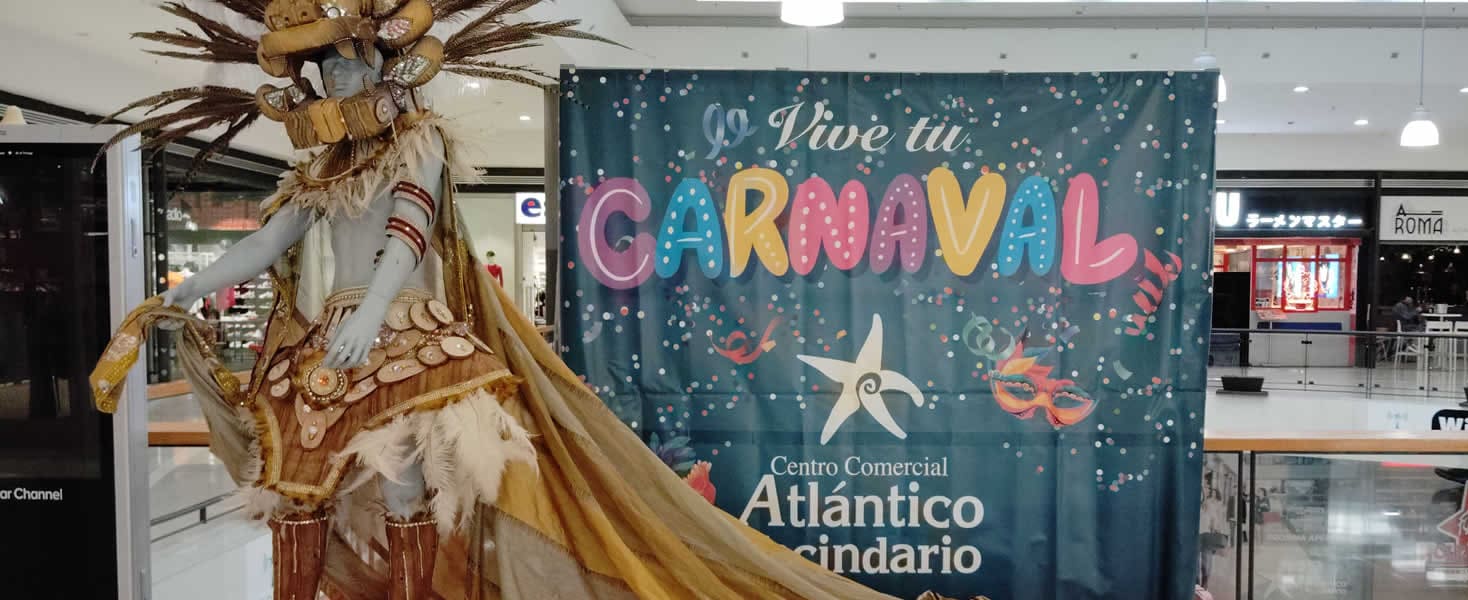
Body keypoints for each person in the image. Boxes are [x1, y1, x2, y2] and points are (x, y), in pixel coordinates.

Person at [86, 2, 917, 599]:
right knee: (297, 492)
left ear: (381, 67)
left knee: (406, 488)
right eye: (324, 68)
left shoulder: (419, 142)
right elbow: (268, 242)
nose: (337, 78)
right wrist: (179, 289)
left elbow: (409, 232)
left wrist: (373, 314)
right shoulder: (321, 168)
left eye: (348, 62)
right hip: (331, 340)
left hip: (405, 334)